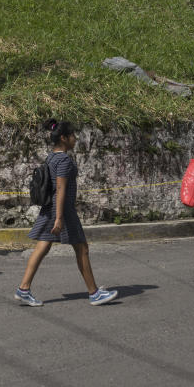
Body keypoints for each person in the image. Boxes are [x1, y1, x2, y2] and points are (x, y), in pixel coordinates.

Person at [15, 119, 118, 307]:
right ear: (63, 138)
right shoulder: (63, 160)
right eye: (72, 136)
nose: (75, 139)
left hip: (51, 209)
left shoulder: (51, 157)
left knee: (42, 247)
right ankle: (94, 294)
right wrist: (60, 217)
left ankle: (23, 289)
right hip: (61, 210)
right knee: (82, 248)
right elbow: (61, 188)